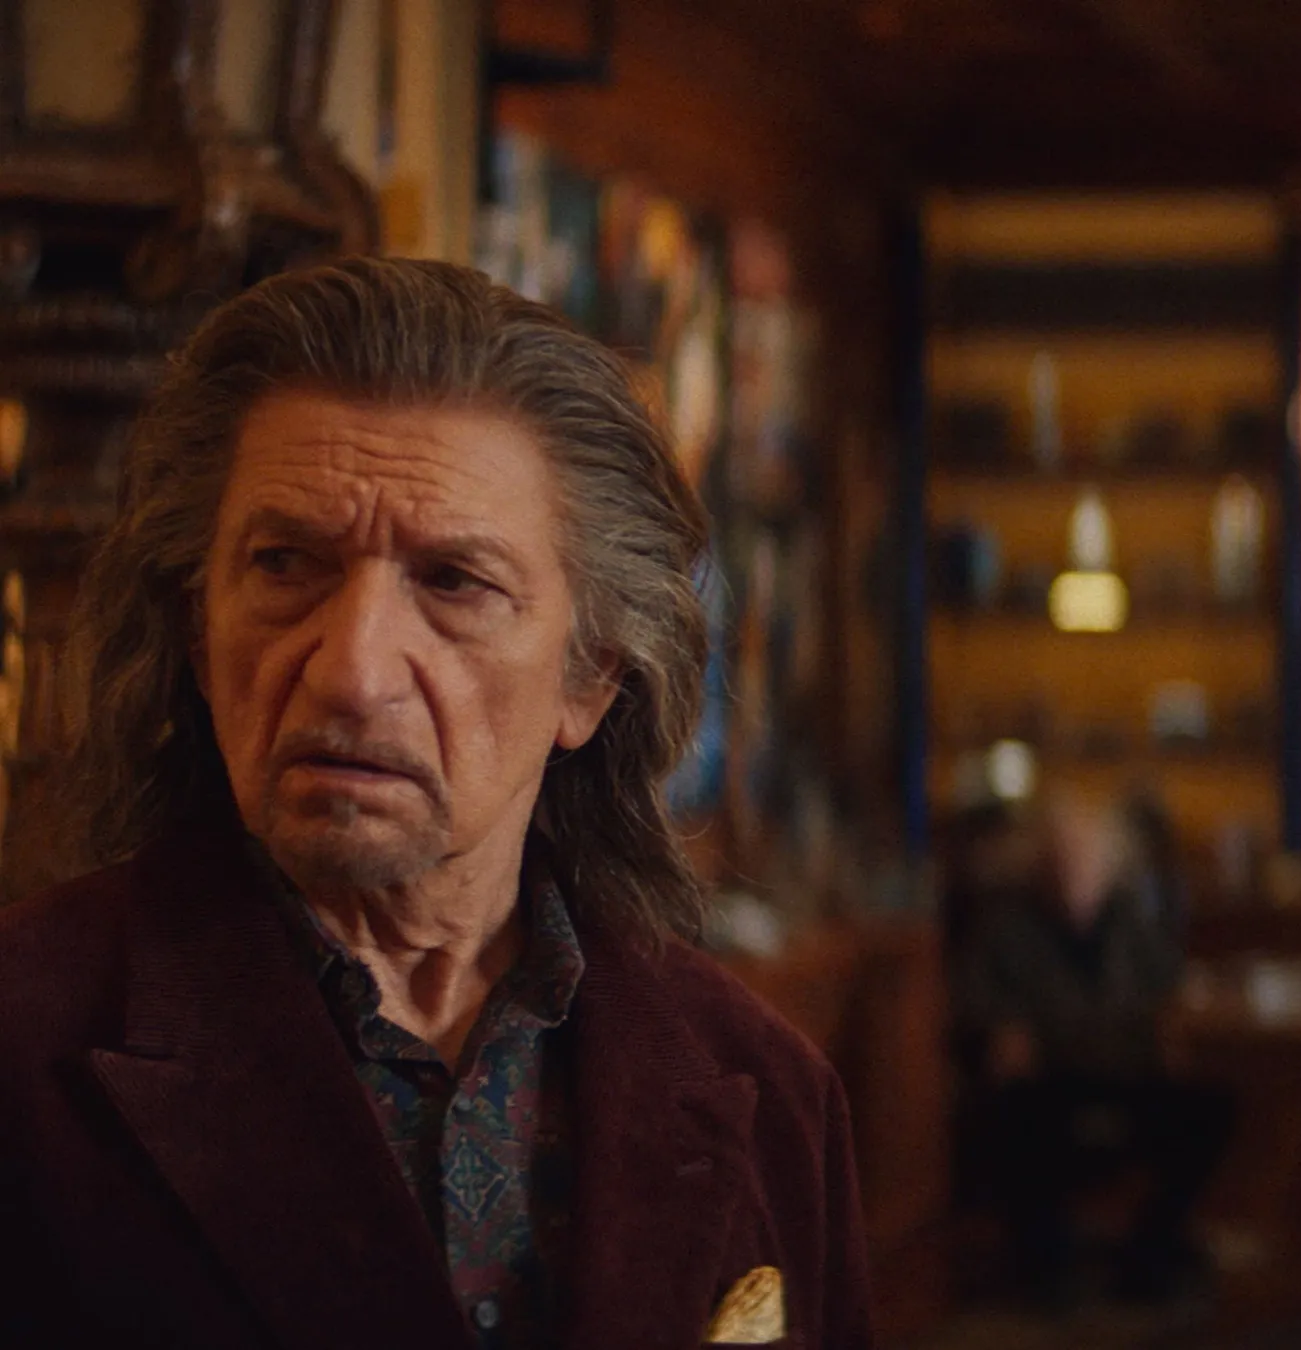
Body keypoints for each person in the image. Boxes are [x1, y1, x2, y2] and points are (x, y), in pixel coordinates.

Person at [0, 258, 873, 1349]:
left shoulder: (764, 1089)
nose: (352, 672)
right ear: (196, 627)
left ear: (590, 678)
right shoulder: (28, 1042)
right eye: (285, 564)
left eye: (455, 583)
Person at [952, 791, 1231, 1304]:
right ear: (1040, 866)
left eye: (1084, 859)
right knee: (1017, 1117)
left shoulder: (1129, 920)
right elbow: (983, 1011)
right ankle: (1045, 1272)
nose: (1072, 872)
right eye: (1060, 860)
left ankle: (1147, 1253)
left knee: (1211, 1112)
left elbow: (1171, 988)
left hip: (1129, 1074)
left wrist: (1167, 1031)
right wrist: (1012, 1035)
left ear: (1108, 865)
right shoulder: (1007, 925)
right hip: (1049, 1082)